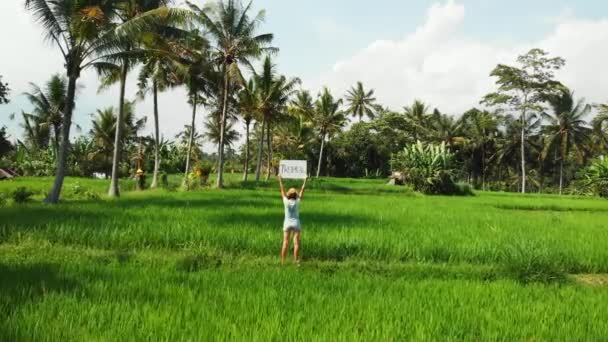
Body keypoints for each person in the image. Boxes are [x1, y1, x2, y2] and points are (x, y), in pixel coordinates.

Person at [279, 175, 307, 265]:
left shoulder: (285, 202)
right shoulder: (297, 201)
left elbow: (282, 190)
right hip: (296, 223)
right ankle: (296, 261)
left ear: (288, 195)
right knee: (296, 243)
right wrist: (305, 180)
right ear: (295, 195)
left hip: (287, 223)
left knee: (285, 242)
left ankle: (283, 261)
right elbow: (302, 191)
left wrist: (280, 180)